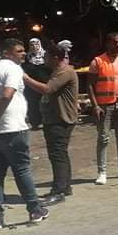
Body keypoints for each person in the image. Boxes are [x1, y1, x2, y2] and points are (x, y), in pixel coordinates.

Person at [0, 39, 47, 231]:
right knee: (22, 169)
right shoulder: (13, 68)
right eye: (19, 51)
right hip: (13, 128)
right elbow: (7, 94)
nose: (24, 53)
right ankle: (34, 209)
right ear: (7, 53)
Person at [22, 42, 77, 204]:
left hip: (60, 119)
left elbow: (47, 89)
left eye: (46, 56)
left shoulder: (65, 71)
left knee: (57, 154)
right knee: (60, 153)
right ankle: (65, 186)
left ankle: (58, 191)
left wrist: (26, 79)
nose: (43, 59)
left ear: (55, 57)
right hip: (55, 119)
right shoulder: (57, 71)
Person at [88, 32, 118, 185]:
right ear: (107, 43)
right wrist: (95, 105)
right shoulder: (97, 61)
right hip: (104, 105)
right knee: (103, 138)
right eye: (115, 42)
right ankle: (102, 172)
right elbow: (90, 85)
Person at [23, 37, 50, 129]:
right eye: (32, 45)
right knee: (33, 104)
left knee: (47, 102)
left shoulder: (46, 56)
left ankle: (47, 121)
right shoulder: (26, 57)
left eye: (37, 44)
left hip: (45, 84)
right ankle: (35, 122)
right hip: (31, 86)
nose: (34, 46)